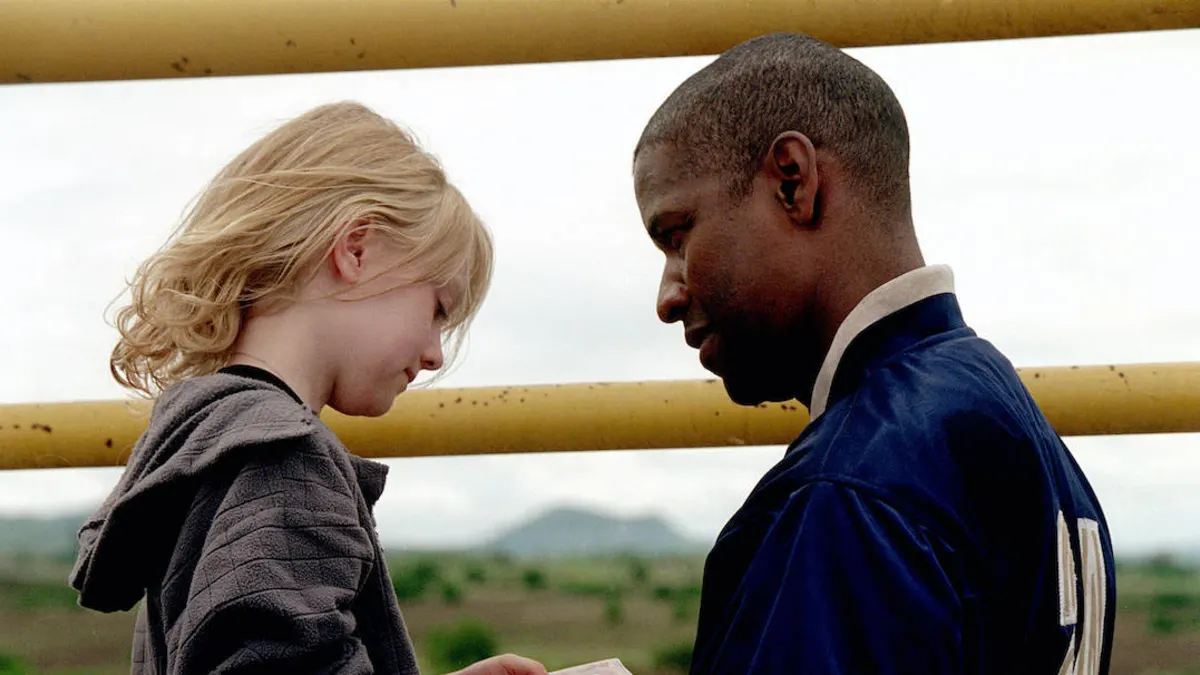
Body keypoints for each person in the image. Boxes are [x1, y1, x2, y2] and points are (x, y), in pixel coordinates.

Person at [632, 33, 1116, 674]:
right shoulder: (1013, 423)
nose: (667, 295)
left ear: (791, 181)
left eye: (676, 234)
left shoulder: (848, 492)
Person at [69, 102, 546, 675]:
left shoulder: (203, 439)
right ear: (356, 248)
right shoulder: (285, 460)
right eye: (438, 308)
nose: (434, 354)